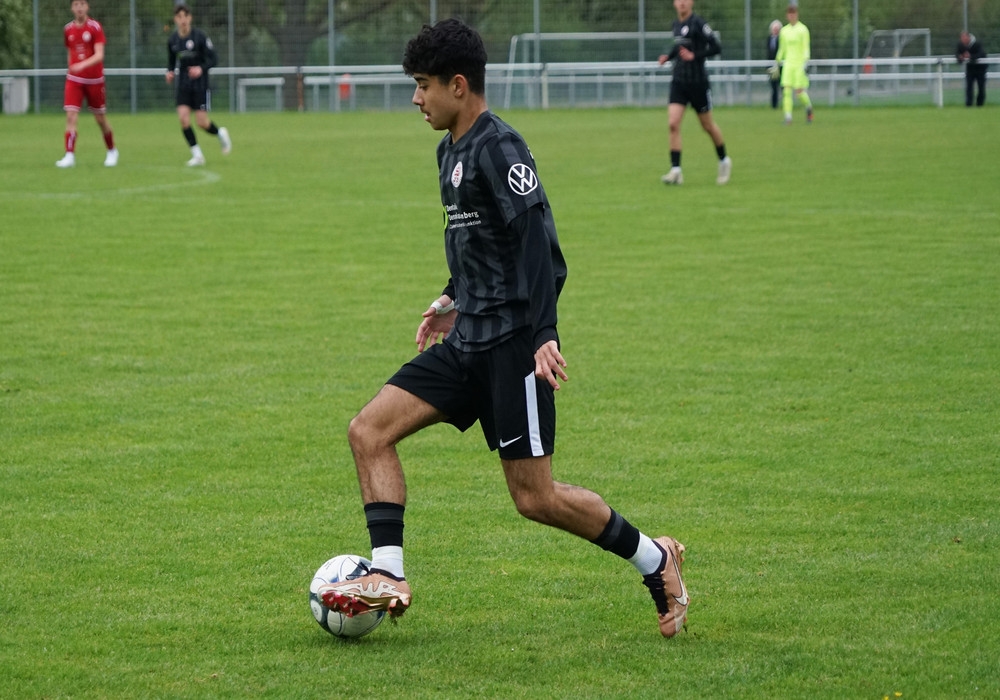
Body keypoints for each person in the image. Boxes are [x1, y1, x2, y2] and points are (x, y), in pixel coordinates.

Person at [317, 18, 690, 639]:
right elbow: (478, 241)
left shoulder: (501, 147)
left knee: (535, 499)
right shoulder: (449, 151)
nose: (416, 98)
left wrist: (545, 333)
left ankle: (656, 558)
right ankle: (388, 573)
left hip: (515, 346)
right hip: (467, 341)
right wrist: (452, 296)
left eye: (423, 85)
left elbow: (538, 246)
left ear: (458, 86)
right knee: (368, 431)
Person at [657, 0, 731, 186]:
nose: (682, 3)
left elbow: (716, 47)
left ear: (691, 2)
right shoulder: (676, 24)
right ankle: (676, 171)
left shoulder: (699, 23)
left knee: (708, 126)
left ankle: (724, 161)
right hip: (679, 82)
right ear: (674, 3)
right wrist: (668, 57)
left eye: (686, 0)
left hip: (698, 83)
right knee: (673, 124)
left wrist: (694, 56)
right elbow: (679, 47)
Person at [165, 2, 231, 166]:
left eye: (185, 16)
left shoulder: (200, 37)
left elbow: (214, 59)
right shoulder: (173, 40)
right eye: (179, 17)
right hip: (183, 85)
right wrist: (170, 72)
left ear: (190, 18)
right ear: (175, 19)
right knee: (183, 119)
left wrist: (201, 69)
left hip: (200, 84)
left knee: (202, 122)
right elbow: (171, 62)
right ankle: (197, 155)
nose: (183, 20)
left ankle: (220, 133)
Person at [56, 0, 118, 168]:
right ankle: (69, 155)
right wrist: (72, 67)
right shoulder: (68, 29)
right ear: (72, 8)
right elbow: (70, 52)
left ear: (87, 7)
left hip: (94, 80)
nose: (79, 8)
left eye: (82, 4)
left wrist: (81, 65)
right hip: (74, 79)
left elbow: (99, 55)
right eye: (76, 4)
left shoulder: (95, 27)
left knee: (100, 119)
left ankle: (112, 150)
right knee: (71, 115)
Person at [775, 2, 813, 124]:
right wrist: (777, 62)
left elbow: (806, 47)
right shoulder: (784, 31)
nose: (791, 16)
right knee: (786, 91)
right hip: (788, 64)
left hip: (799, 64)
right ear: (787, 15)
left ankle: (808, 107)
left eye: (793, 14)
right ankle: (788, 117)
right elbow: (782, 48)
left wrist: (806, 61)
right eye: (789, 14)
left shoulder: (803, 29)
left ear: (797, 15)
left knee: (799, 92)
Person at [956, 31, 987, 107]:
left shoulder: (977, 44)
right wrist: (960, 57)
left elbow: (981, 54)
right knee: (969, 87)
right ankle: (969, 104)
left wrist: (970, 56)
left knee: (981, 87)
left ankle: (980, 104)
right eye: (962, 38)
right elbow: (957, 54)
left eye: (964, 38)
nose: (963, 40)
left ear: (968, 37)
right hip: (970, 69)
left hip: (980, 69)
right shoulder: (960, 44)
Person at [766, 20, 782, 109]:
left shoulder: (782, 39)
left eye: (777, 29)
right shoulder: (769, 39)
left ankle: (785, 104)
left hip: (780, 66)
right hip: (771, 66)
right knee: (773, 86)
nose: (775, 30)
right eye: (774, 29)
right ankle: (774, 105)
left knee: (783, 86)